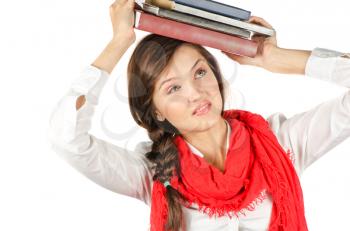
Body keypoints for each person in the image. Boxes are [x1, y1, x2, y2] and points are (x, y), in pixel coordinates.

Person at [48, 0, 350, 230]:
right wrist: (118, 43)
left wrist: (273, 58)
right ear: (156, 111)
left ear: (217, 75)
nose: (195, 92)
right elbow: (67, 139)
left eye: (200, 72)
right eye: (173, 88)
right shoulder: (152, 173)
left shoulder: (282, 142)